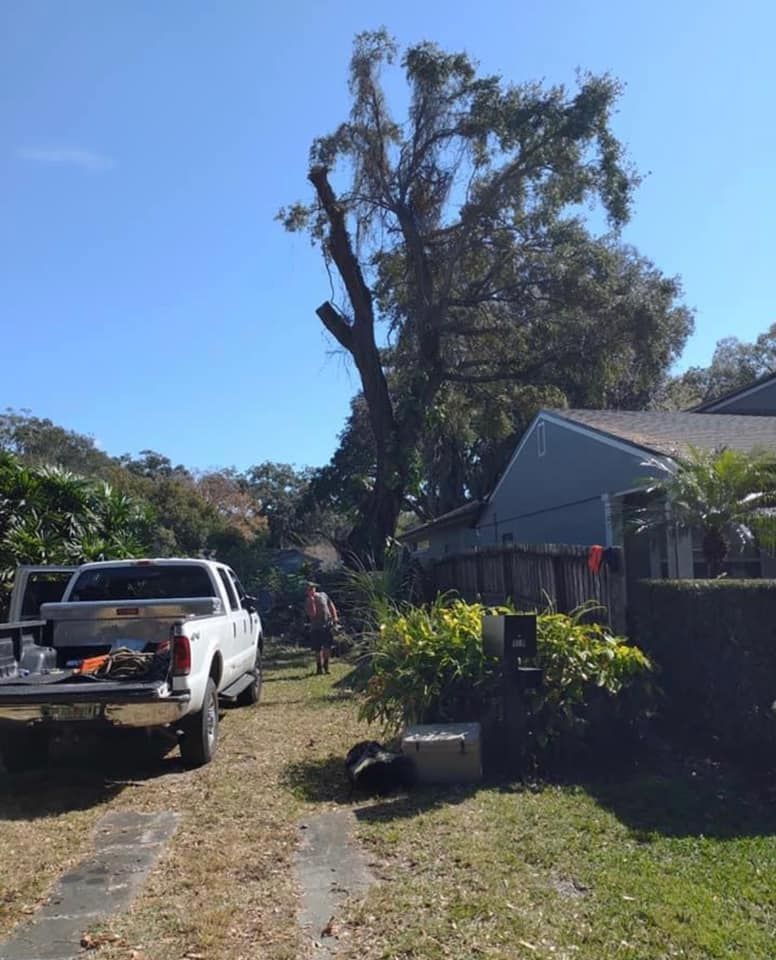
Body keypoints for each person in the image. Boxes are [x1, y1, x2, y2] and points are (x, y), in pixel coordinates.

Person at [303, 582, 339, 675]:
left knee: (327, 647)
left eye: (312, 588)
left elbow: (331, 605)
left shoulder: (323, 595)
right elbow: (312, 614)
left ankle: (326, 666)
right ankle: (319, 667)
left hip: (327, 624)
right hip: (316, 627)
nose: (311, 590)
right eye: (309, 589)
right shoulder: (307, 601)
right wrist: (312, 601)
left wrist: (335, 617)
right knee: (317, 649)